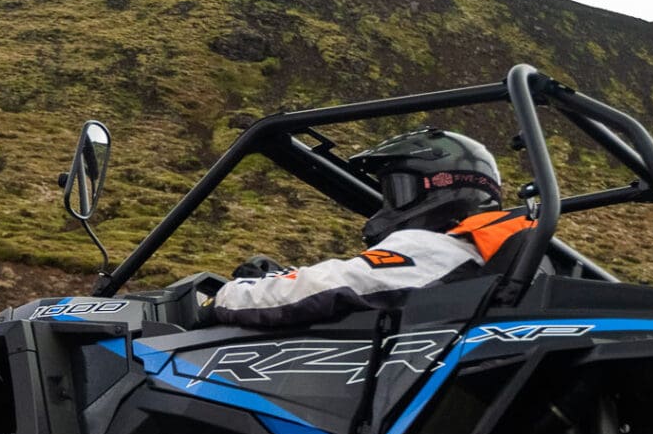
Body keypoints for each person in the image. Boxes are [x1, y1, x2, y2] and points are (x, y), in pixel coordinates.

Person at [209, 127, 533, 327]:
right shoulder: (492, 253)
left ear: (442, 189)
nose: (388, 205)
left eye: (398, 190)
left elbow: (325, 287)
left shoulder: (444, 248)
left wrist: (224, 298)